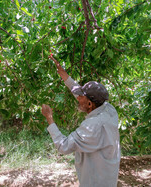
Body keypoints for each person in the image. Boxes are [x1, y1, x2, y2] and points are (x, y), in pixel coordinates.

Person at [41, 55, 121, 187]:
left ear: (90, 104)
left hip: (95, 182)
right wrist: (64, 75)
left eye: (81, 97)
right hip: (107, 177)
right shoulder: (108, 109)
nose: (77, 98)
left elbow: (63, 146)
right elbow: (82, 93)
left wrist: (49, 117)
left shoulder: (92, 126)